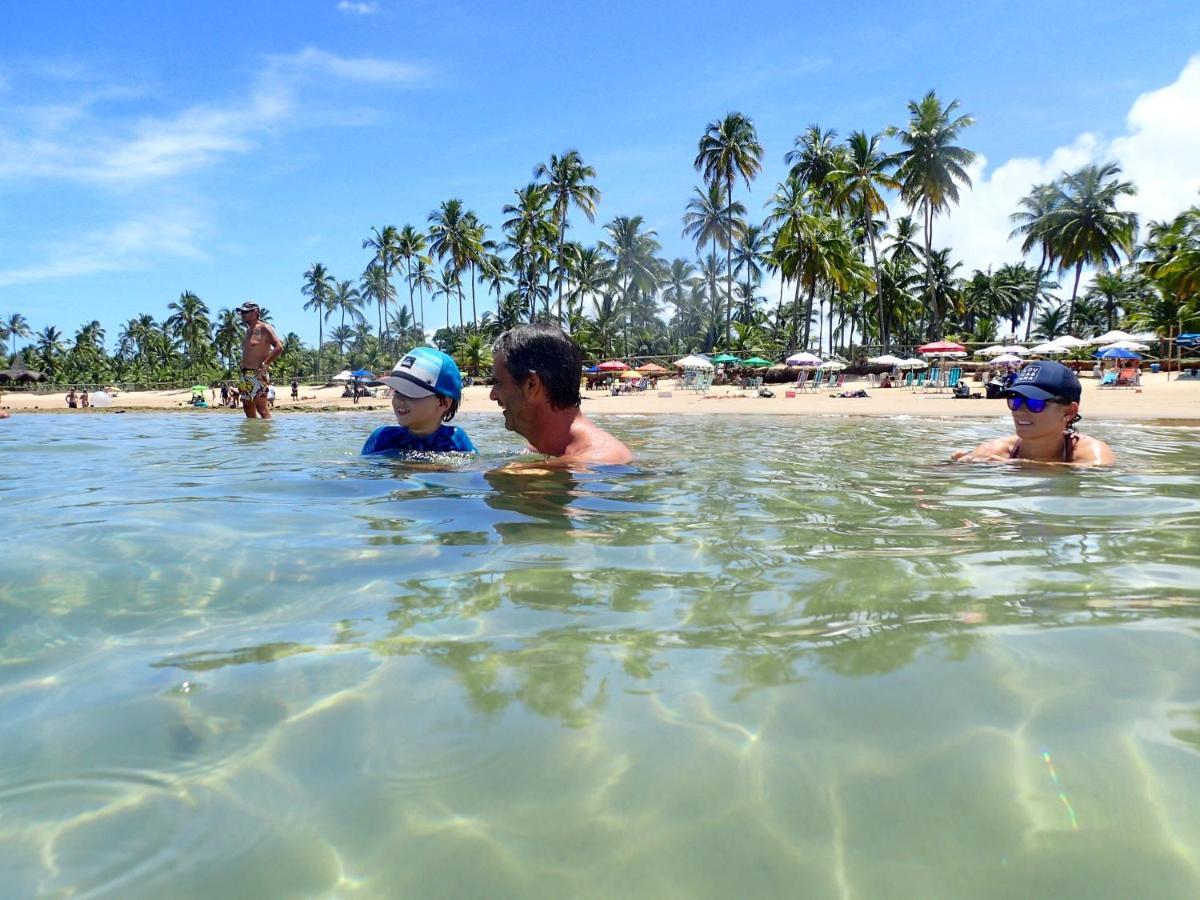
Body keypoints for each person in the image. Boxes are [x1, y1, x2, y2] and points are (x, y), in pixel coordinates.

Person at [490, 324, 632, 466]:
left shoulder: (599, 461)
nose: (492, 395)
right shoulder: (542, 450)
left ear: (532, 385)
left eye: (498, 382)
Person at [952, 360, 1115, 465]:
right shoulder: (992, 453)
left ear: (1070, 411)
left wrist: (1017, 465)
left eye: (1035, 402)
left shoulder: (1090, 452)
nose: (1020, 411)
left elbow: (1098, 471)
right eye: (1015, 401)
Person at [361, 348, 477, 455]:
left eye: (411, 392)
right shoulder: (382, 437)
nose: (399, 399)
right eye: (397, 391)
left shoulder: (455, 440)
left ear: (444, 403)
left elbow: (474, 471)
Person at [236, 302, 284, 419]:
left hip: (258, 374)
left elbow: (279, 347)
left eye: (245, 312)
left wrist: (266, 363)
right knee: (247, 409)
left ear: (255, 312)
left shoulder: (264, 328)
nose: (242, 315)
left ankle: (267, 436)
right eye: (241, 312)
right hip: (245, 375)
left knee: (262, 409)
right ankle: (252, 435)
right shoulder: (248, 331)